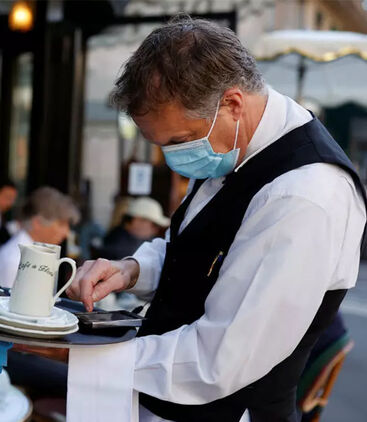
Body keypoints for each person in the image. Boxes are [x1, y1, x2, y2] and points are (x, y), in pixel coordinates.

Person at [66, 16, 366, 422]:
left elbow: (222, 358)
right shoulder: (232, 142)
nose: (173, 158)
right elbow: (202, 246)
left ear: (233, 104)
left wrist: (84, 356)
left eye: (178, 142)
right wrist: (133, 270)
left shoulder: (303, 195)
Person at [0, 187, 80, 288]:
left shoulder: (24, 255)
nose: (66, 232)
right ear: (37, 222)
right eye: (61, 224)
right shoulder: (16, 261)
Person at [97, 197, 169, 261]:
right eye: (154, 224)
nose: (156, 229)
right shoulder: (124, 249)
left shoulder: (117, 237)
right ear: (136, 221)